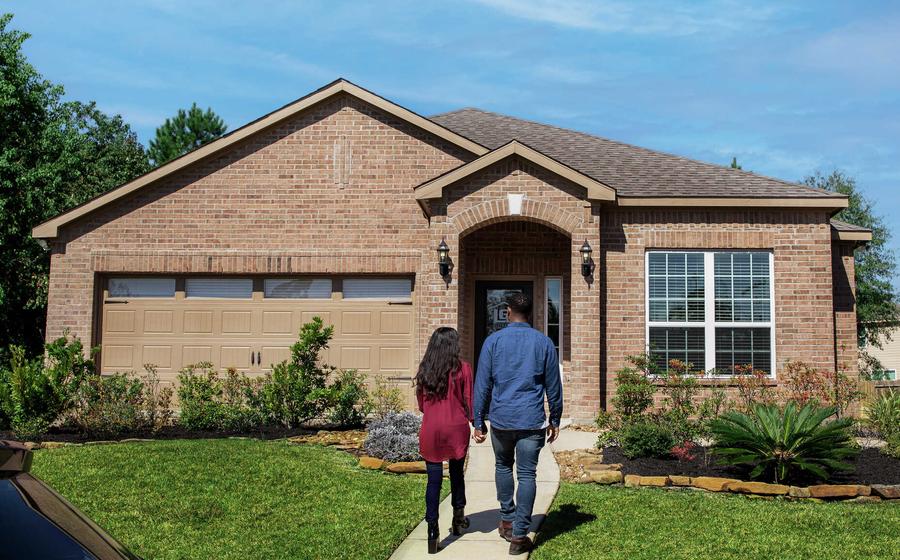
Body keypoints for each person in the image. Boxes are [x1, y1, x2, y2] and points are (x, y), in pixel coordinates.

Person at [473, 292, 563, 556]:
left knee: (502, 466)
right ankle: (520, 535)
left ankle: (507, 520)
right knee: (527, 475)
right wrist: (555, 417)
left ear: (508, 311)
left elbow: (483, 384)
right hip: (531, 420)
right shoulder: (543, 342)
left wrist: (478, 420)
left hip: (501, 420)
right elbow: (553, 386)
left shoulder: (493, 341)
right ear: (532, 313)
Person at [415, 327, 473, 554]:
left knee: (433, 481)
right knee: (457, 474)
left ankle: (432, 530)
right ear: (453, 345)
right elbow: (468, 400)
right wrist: (476, 422)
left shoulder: (425, 370)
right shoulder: (463, 369)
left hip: (431, 429)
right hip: (456, 428)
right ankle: (458, 519)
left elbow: (421, 404)